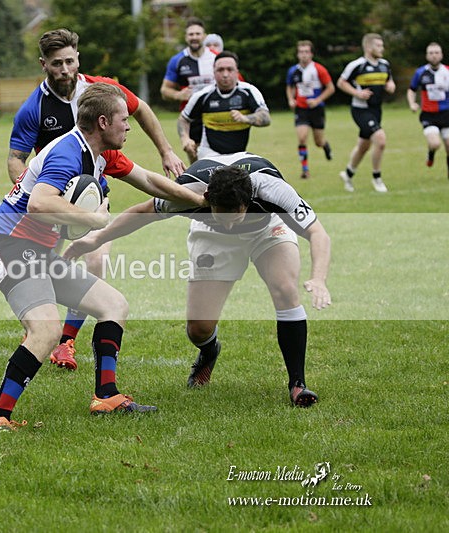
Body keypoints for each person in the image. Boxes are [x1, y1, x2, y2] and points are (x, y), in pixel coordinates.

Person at [0, 83, 205, 430]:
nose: (129, 126)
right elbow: (39, 202)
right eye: (123, 120)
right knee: (47, 330)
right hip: (9, 248)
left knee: (113, 304)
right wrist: (93, 219)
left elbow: (151, 182)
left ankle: (107, 396)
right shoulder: (68, 152)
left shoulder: (102, 153)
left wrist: (201, 202)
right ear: (102, 122)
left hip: (37, 251)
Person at [65, 151, 331, 407]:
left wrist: (318, 279)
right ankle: (209, 350)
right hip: (211, 236)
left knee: (285, 289)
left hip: (266, 229)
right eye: (221, 215)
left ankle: (297, 384)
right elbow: (142, 213)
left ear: (247, 202)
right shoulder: (187, 194)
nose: (229, 223)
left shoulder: (272, 191)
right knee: (199, 328)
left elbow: (318, 233)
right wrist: (97, 239)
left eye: (234, 216)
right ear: (206, 199)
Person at [8, 28, 186, 372]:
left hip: (91, 194)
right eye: (57, 63)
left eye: (70, 61)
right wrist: (29, 190)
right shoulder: (34, 108)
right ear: (44, 64)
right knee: (41, 270)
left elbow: (142, 110)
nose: (65, 69)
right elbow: (16, 158)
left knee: (94, 259)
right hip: (53, 198)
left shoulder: (101, 91)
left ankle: (66, 341)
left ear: (78, 60)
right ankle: (39, 330)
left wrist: (166, 151)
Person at [178, 51, 270, 159]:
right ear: (214, 72)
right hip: (209, 153)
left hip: (238, 154)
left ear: (237, 72)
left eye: (230, 69)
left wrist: (245, 118)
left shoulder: (249, 91)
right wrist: (185, 138)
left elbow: (266, 117)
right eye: (220, 70)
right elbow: (184, 118)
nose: (225, 74)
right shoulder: (203, 95)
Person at [337, 33, 395, 193]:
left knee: (363, 146)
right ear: (369, 47)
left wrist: (391, 85)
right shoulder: (357, 65)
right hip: (360, 110)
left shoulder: (384, 64)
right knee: (380, 140)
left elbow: (389, 79)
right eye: (379, 45)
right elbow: (341, 82)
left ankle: (348, 174)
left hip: (377, 110)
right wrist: (357, 93)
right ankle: (377, 178)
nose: (382, 48)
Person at [161, 18, 217, 163]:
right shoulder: (177, 60)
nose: (194, 37)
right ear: (186, 37)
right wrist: (179, 95)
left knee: (220, 157)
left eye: (198, 34)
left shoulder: (216, 58)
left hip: (216, 113)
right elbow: (165, 90)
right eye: (191, 34)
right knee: (196, 161)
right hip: (191, 118)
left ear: (204, 36)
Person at [285, 40, 335, 179]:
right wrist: (291, 99)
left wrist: (318, 100)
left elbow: (331, 88)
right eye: (301, 52)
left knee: (318, 142)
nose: (304, 55)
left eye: (307, 52)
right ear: (297, 54)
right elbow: (290, 87)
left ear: (311, 54)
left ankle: (325, 145)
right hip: (301, 109)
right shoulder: (293, 71)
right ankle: (305, 170)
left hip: (317, 109)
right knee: (302, 138)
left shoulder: (319, 69)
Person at [407, 42, 449, 177]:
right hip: (429, 115)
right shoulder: (420, 72)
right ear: (427, 56)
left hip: (446, 114)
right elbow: (411, 90)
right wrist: (412, 103)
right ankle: (431, 153)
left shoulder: (447, 71)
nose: (434, 56)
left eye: (437, 52)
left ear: (441, 55)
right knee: (435, 143)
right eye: (431, 53)